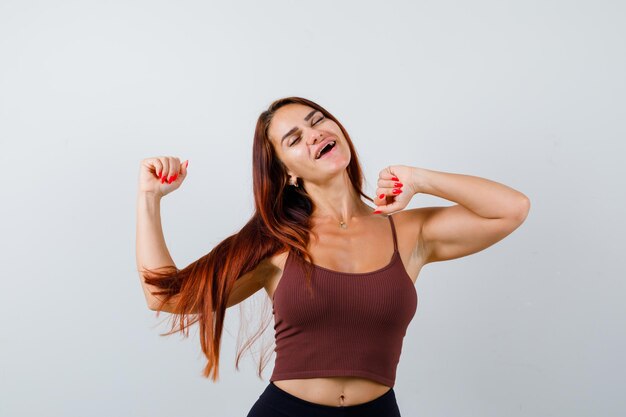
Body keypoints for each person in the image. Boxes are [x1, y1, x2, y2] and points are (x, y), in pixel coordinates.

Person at [136, 96, 531, 416]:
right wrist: (149, 198)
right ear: (286, 171)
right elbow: (165, 295)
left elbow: (511, 208)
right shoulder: (275, 242)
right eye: (293, 139)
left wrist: (421, 179)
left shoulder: (408, 232)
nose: (314, 134)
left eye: (317, 120)